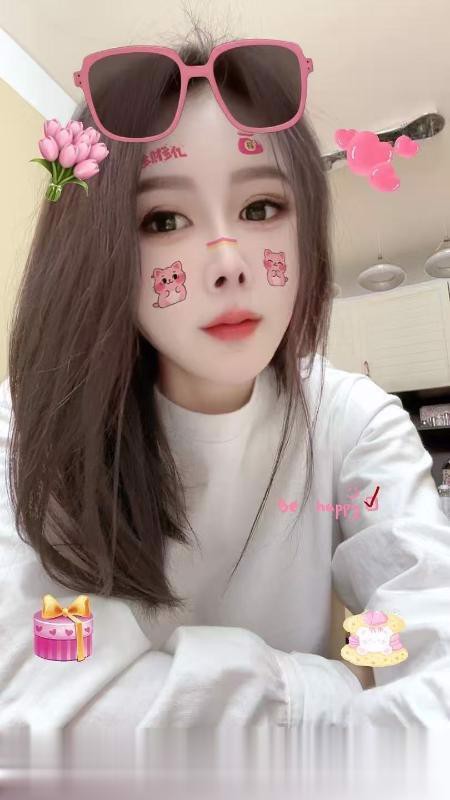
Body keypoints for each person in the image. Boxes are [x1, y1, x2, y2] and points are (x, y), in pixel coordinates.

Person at [1, 24, 449, 752]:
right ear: (99, 249)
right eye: (164, 219)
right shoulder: (26, 424)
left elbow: (438, 670)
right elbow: (33, 707)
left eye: (261, 208)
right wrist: (331, 690)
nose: (228, 261)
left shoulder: (353, 422)